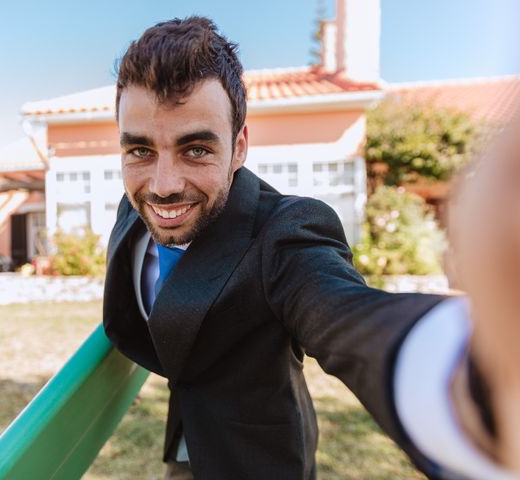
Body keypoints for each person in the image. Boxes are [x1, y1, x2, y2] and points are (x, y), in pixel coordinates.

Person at [102, 16, 519, 479]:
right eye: (140, 151)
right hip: (184, 441)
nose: (163, 186)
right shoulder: (135, 205)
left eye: (196, 149)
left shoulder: (286, 232)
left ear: (239, 147)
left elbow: (345, 316)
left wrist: (480, 384)